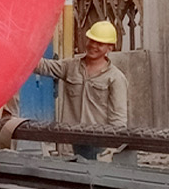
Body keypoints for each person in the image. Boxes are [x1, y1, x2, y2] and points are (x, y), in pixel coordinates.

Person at [33, 20, 128, 160]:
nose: (93, 46)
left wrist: (111, 150)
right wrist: (20, 51)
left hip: (98, 145)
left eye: (99, 44)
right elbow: (43, 66)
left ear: (110, 48)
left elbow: (118, 119)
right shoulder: (70, 67)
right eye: (91, 41)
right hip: (69, 143)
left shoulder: (115, 78)